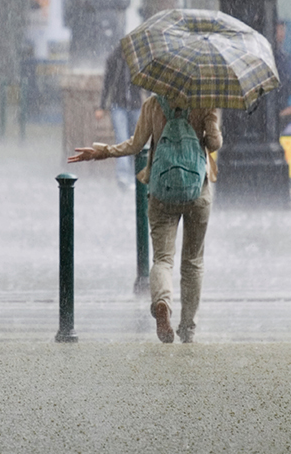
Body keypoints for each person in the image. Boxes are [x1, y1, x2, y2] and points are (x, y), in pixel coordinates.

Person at [68, 94, 221, 344]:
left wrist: (102, 152)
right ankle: (188, 328)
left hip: (162, 191)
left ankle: (162, 302)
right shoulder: (205, 100)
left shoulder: (154, 103)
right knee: (193, 261)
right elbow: (214, 143)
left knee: (162, 258)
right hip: (197, 191)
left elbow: (136, 145)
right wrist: (207, 126)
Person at [96, 48, 145, 191]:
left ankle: (134, 175)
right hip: (119, 106)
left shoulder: (139, 61)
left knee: (135, 141)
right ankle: (123, 176)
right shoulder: (114, 59)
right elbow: (107, 83)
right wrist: (102, 106)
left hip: (135, 106)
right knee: (122, 139)